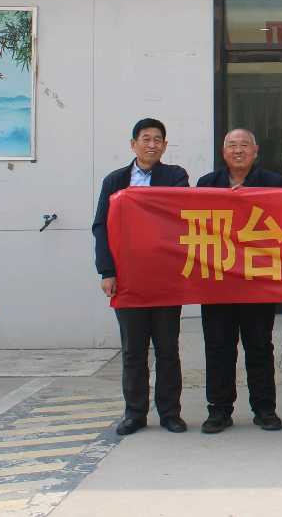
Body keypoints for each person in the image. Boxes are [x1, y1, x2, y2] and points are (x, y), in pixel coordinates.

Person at [92, 117, 190, 436]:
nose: (152, 144)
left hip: (164, 276)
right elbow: (101, 227)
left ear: (165, 145)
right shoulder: (115, 180)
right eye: (145, 139)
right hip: (128, 278)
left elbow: (178, 214)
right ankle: (135, 413)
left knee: (167, 350)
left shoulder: (175, 176)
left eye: (157, 139)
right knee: (134, 351)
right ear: (133, 144)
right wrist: (107, 271)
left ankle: (170, 413)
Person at [194, 128, 282, 434]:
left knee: (259, 346)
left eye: (244, 145)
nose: (238, 150)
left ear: (255, 151)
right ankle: (219, 410)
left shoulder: (274, 183)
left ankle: (265, 409)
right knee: (218, 347)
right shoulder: (207, 185)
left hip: (257, 280)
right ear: (223, 152)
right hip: (218, 281)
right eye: (232, 145)